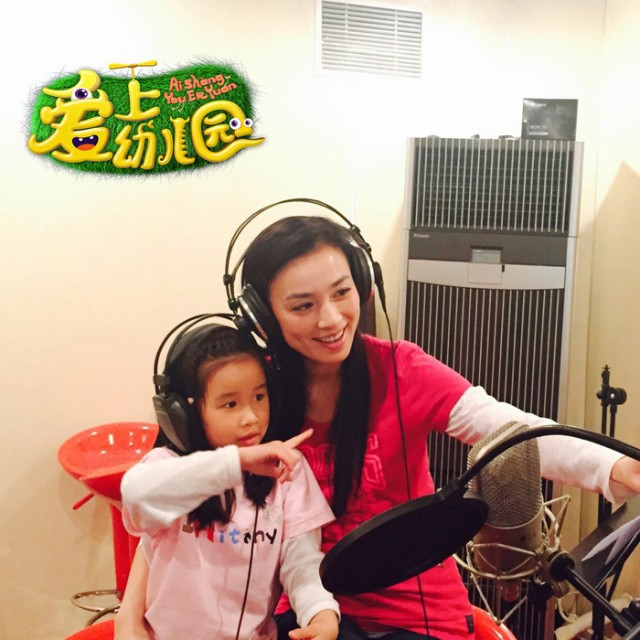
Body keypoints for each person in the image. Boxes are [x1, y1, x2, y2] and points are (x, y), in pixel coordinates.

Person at [119, 213, 640, 640]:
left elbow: (510, 429)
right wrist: (130, 614)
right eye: (303, 306)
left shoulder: (401, 370)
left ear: (364, 286)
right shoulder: (254, 397)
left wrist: (617, 467)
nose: (330, 319)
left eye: (341, 292)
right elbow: (171, 509)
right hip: (304, 609)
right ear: (262, 316)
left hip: (416, 615)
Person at [117, 323, 340, 640]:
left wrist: (321, 611)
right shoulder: (168, 467)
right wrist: (236, 462)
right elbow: (135, 494)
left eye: (259, 396)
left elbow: (302, 563)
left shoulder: (288, 470)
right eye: (230, 404)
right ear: (184, 414)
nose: (251, 417)